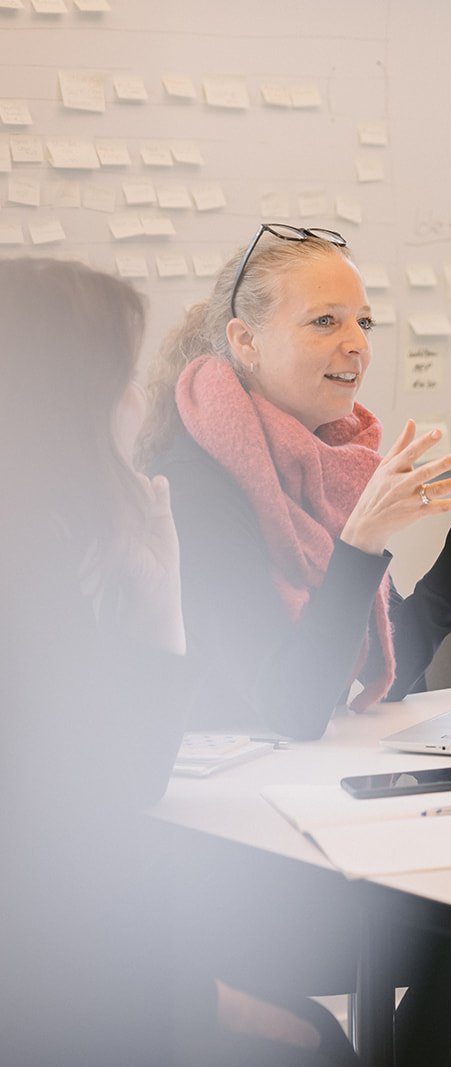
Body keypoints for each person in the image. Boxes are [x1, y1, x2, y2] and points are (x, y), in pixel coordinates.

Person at [139, 224, 451, 1066]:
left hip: (329, 818)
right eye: (325, 321)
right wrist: (361, 544)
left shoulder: (332, 461)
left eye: (364, 321)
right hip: (244, 872)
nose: (355, 344)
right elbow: (292, 704)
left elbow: (386, 671)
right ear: (243, 342)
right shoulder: (194, 482)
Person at [0, 256, 355, 1065]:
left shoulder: (45, 553)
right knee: (319, 1039)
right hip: (61, 983)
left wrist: (156, 605)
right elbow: (58, 848)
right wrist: (192, 991)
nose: (136, 399)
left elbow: (109, 787)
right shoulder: (39, 573)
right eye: (325, 319)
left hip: (82, 948)